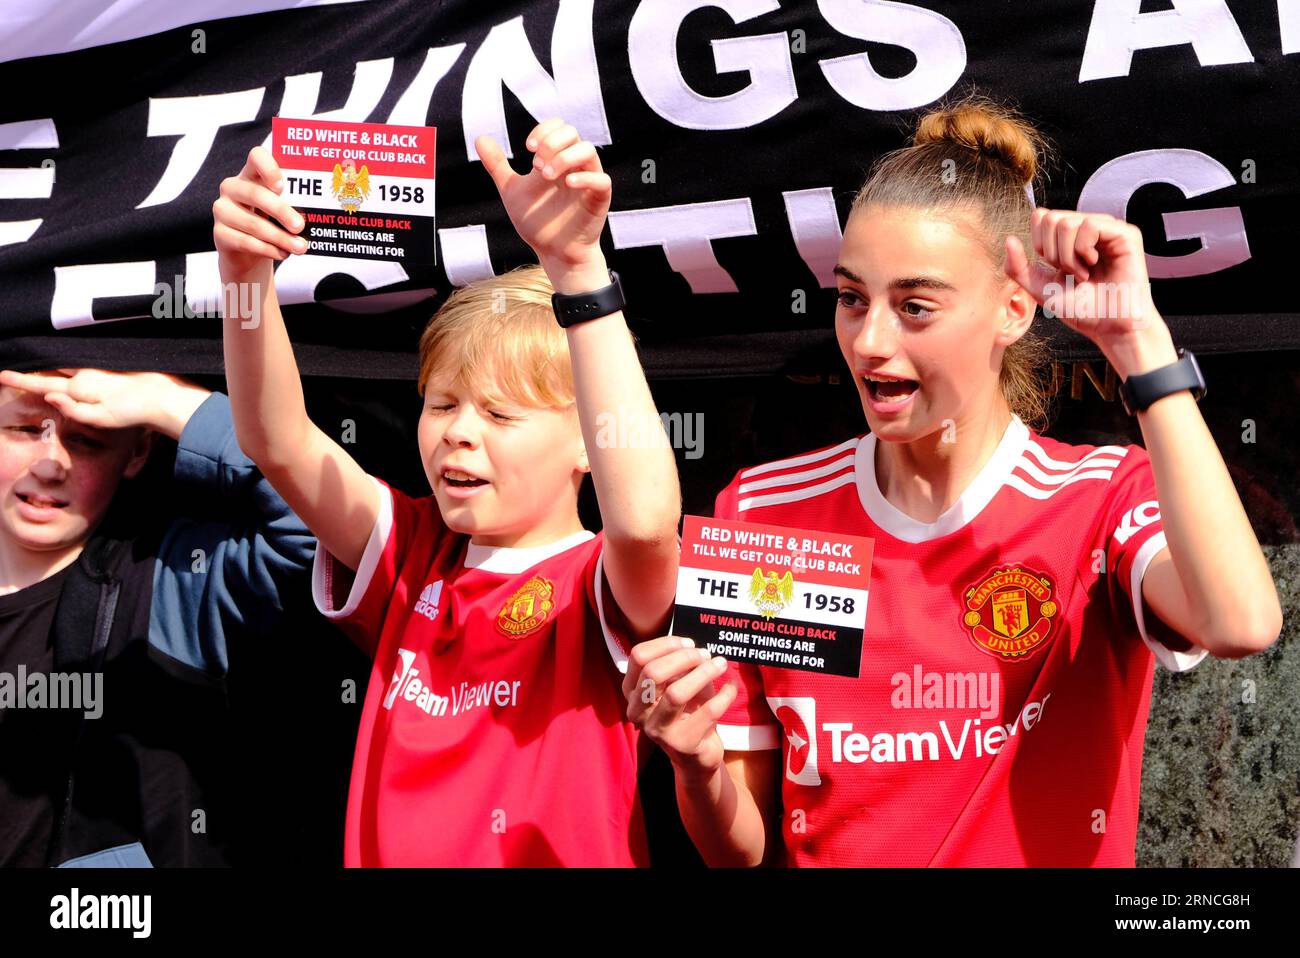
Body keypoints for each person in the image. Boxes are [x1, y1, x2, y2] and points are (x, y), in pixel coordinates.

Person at [623, 94, 1282, 867]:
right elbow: (740, 851)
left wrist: (1140, 343)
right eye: (850, 299)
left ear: (1013, 308)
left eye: (915, 306)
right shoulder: (765, 512)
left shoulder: (1099, 497)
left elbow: (1241, 625)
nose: (869, 341)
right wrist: (698, 763)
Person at [213, 118, 681, 865]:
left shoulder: (600, 582)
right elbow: (276, 440)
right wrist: (242, 278)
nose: (460, 433)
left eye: (500, 413)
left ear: (592, 443)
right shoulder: (411, 549)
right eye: (441, 404)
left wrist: (578, 268)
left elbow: (650, 524)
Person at [0, 368, 315, 866]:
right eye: (23, 430)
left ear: (139, 452)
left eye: (87, 441)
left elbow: (315, 524)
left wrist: (164, 401)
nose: (50, 464)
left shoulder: (170, 583)